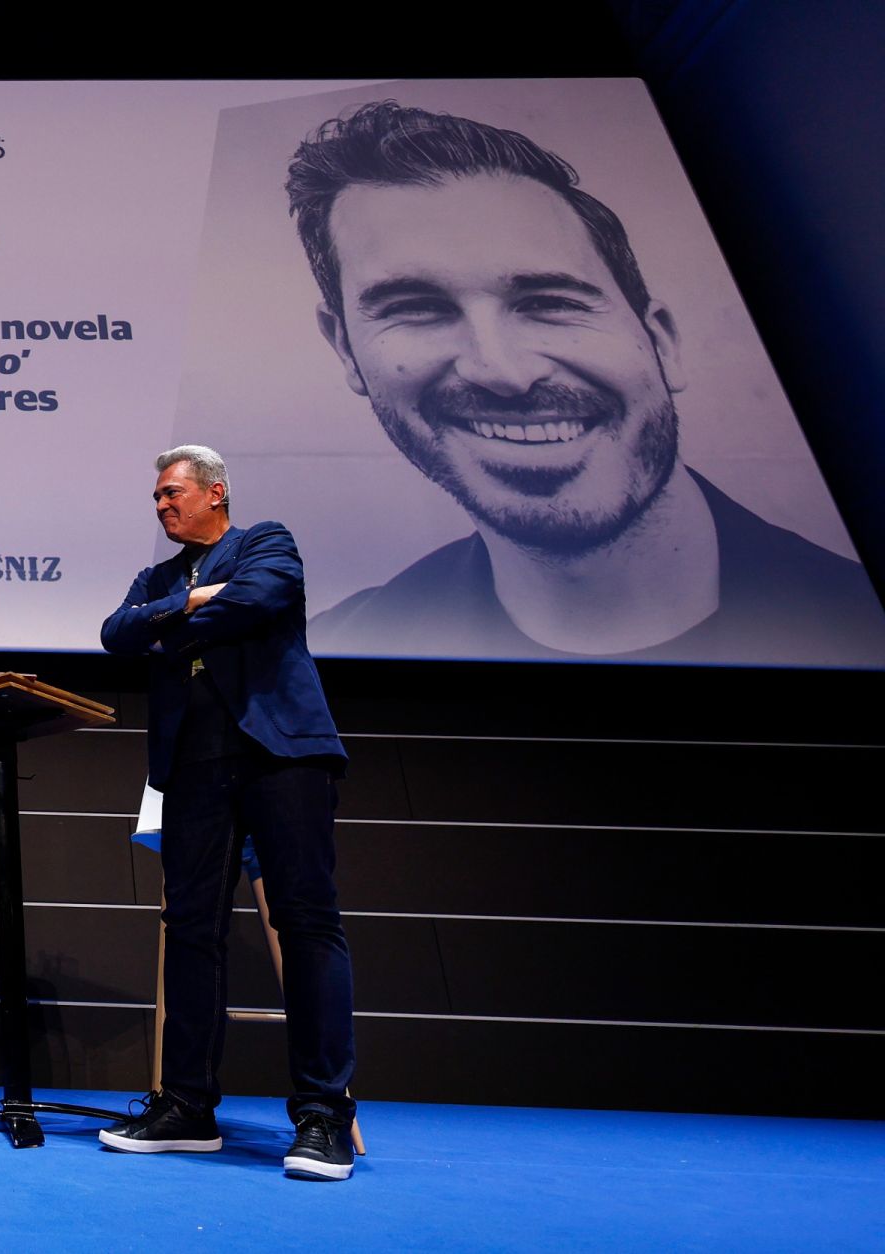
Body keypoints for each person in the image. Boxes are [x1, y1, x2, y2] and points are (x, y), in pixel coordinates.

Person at [288, 101, 885, 666]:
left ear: (662, 342)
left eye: (550, 302)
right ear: (345, 348)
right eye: (415, 308)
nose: (504, 372)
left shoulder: (861, 614)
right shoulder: (320, 658)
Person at [99, 445, 356, 1181]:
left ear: (216, 493)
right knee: (191, 931)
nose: (160, 506)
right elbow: (118, 633)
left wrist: (174, 622)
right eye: (154, 498)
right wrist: (185, 603)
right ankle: (186, 1107)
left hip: (283, 753)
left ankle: (321, 1115)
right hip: (193, 766)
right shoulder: (157, 579)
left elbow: (262, 597)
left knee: (307, 922)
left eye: (172, 492)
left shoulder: (264, 542)